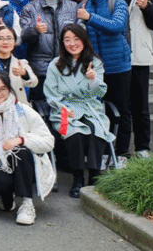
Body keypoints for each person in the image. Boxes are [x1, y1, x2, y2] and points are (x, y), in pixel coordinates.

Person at [44, 25, 114, 197]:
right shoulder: (55, 65)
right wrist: (63, 109)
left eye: (76, 39)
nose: (72, 44)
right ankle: (78, 178)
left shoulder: (95, 63)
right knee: (74, 131)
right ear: (62, 43)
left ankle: (94, 175)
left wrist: (93, 80)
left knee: (96, 129)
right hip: (64, 110)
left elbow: (99, 93)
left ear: (84, 41)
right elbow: (51, 93)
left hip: (90, 107)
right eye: (67, 40)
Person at [0, 71, 54, 225]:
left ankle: (27, 204)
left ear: (9, 90)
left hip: (28, 164)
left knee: (21, 151)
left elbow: (49, 141)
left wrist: (22, 139)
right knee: (1, 185)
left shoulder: (23, 110)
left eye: (3, 89)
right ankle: (6, 198)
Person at [108, 0, 153, 159]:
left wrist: (146, 7)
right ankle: (121, 150)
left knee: (141, 105)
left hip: (139, 58)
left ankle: (142, 147)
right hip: (116, 59)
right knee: (120, 106)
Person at [78, 0, 131, 159]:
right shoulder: (82, 5)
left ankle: (122, 153)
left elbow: (116, 26)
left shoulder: (117, 3)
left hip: (118, 66)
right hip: (94, 69)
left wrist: (89, 17)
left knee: (122, 110)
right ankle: (103, 153)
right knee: (97, 111)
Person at [19, 0, 78, 101]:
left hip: (67, 68)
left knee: (66, 109)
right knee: (41, 108)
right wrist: (34, 30)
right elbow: (23, 36)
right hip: (40, 70)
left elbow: (80, 37)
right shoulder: (30, 8)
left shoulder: (72, 7)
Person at [0, 25, 38, 104]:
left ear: (15, 42)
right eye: (0, 38)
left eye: (9, 38)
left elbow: (34, 83)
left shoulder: (21, 63)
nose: (5, 42)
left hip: (18, 107)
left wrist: (24, 73)